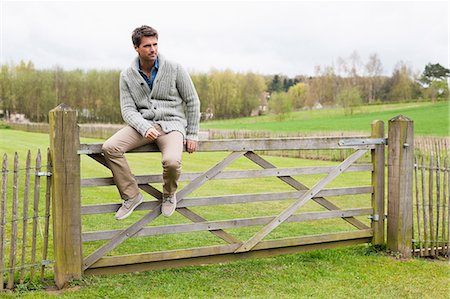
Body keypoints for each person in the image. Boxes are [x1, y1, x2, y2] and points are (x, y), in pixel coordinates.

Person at [102, 25, 200, 220]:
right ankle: (131, 196)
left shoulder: (175, 68)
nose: (153, 49)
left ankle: (169, 194)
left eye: (155, 44)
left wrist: (192, 134)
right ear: (136, 48)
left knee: (171, 162)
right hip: (143, 125)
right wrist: (144, 127)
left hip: (173, 126)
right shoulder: (127, 76)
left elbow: (192, 101)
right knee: (110, 147)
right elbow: (128, 110)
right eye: (147, 46)